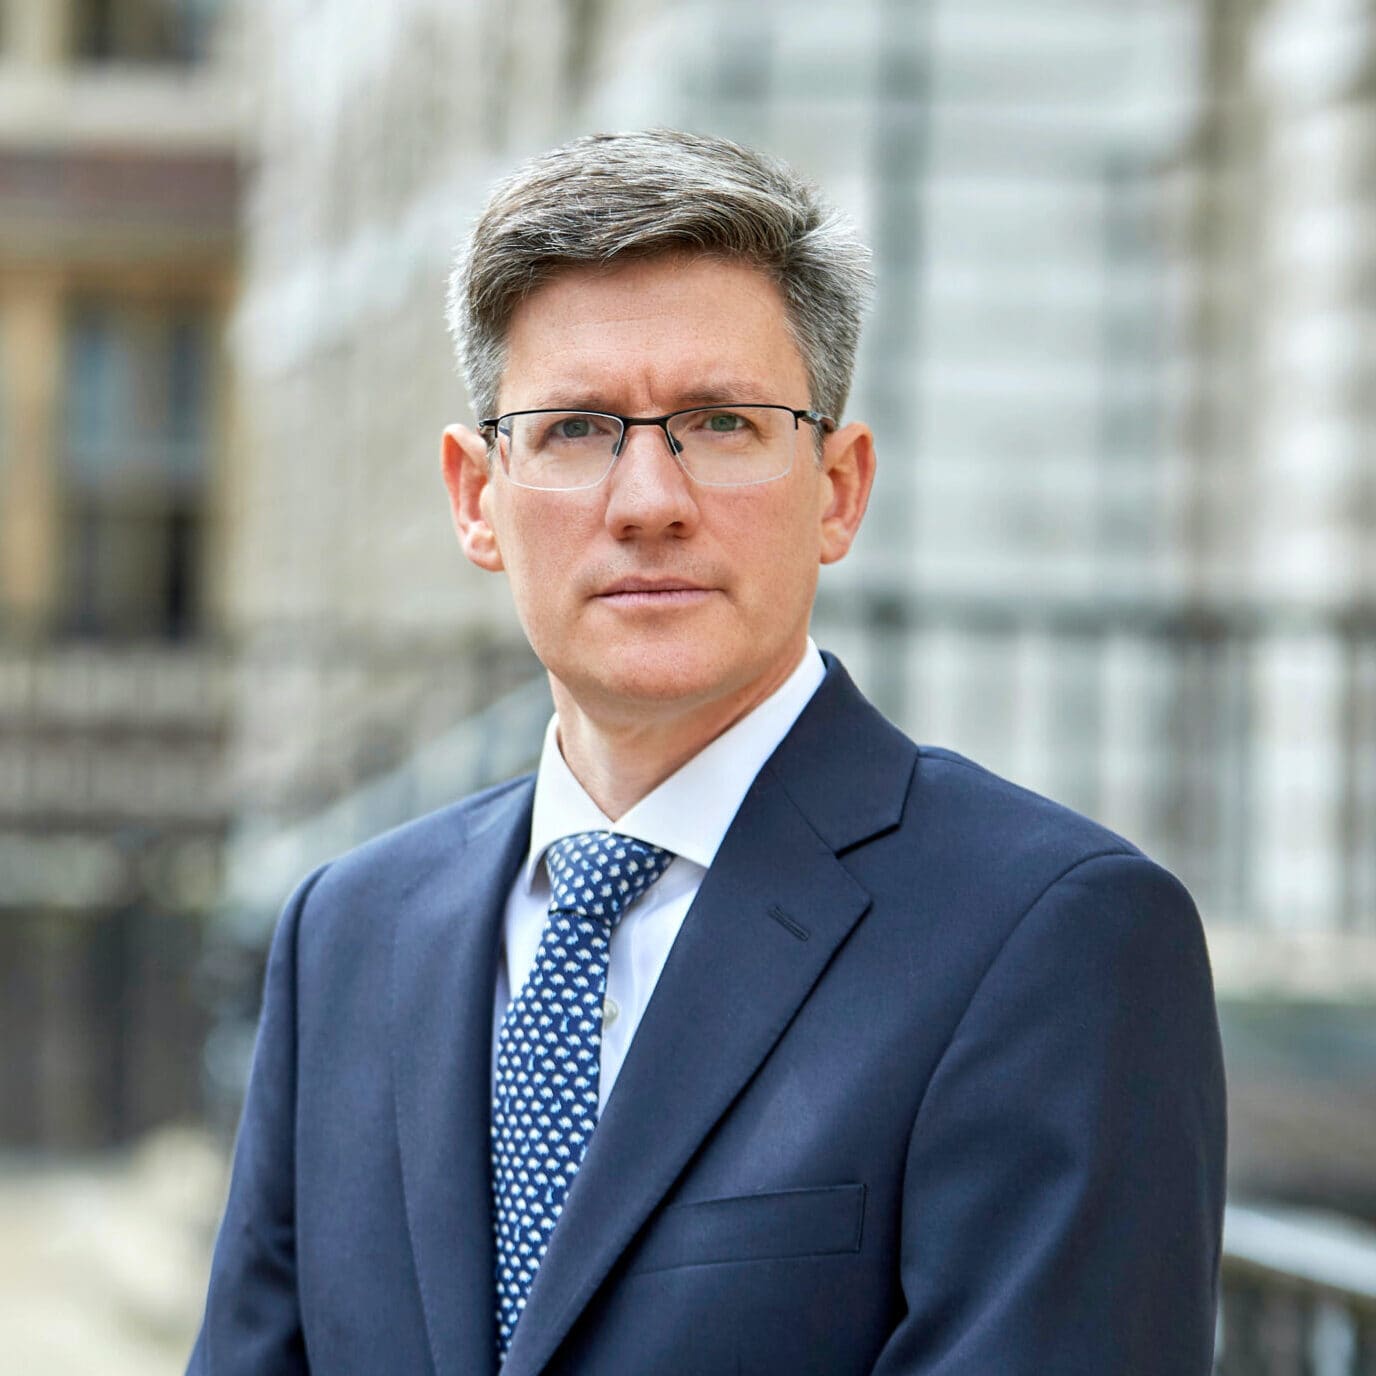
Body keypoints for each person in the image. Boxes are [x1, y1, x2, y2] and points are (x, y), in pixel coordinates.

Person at [188, 129, 1226, 1376]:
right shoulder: (347, 933)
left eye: (721, 421)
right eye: (575, 428)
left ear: (837, 487)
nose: (646, 501)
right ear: (476, 496)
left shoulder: (1051, 936)